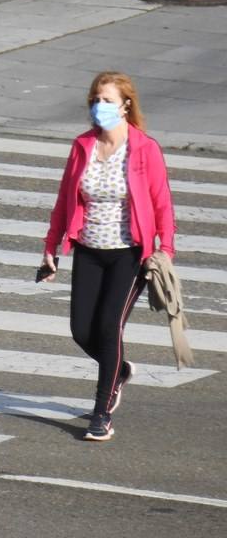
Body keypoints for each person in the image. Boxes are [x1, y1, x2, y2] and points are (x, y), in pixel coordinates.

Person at [40, 71, 176, 441]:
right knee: (81, 330)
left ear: (126, 105)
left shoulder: (144, 149)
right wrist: (50, 247)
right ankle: (118, 371)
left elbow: (162, 202)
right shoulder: (82, 145)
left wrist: (165, 249)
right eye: (95, 100)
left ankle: (102, 413)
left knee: (108, 326)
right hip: (88, 249)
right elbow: (64, 200)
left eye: (108, 100)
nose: (99, 106)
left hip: (129, 254)